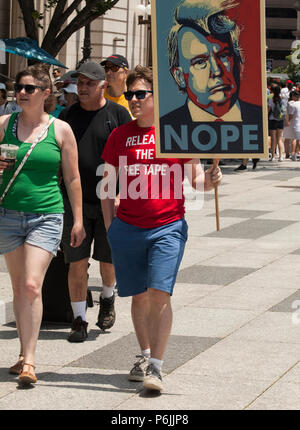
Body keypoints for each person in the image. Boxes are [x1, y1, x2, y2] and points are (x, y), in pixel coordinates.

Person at [101, 65, 222, 392]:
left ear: (157, 97)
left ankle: (156, 366)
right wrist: (112, 227)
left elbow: (195, 180)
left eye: (141, 94)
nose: (134, 100)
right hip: (127, 228)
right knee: (138, 298)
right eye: (130, 95)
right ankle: (143, 356)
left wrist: (209, 181)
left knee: (159, 294)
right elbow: (107, 187)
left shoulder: (176, 132)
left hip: (167, 227)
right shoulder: (119, 136)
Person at [0, 65, 85, 386]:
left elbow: (74, 177)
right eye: (19, 88)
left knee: (33, 285)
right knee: (20, 286)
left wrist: (78, 219)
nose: (21, 93)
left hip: (47, 215)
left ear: (46, 93)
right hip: (8, 215)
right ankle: (23, 352)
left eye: (29, 89)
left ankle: (30, 361)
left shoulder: (60, 130)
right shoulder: (4, 125)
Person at [59, 60, 131, 342]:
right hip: (74, 202)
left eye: (90, 83)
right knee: (76, 261)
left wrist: (123, 195)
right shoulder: (67, 115)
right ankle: (79, 319)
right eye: (81, 82)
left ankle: (108, 297)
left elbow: (128, 159)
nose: (83, 87)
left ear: (103, 85)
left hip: (110, 201)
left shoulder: (118, 114)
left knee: (107, 259)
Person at [160, 0, 263, 155]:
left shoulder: (257, 119)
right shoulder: (167, 127)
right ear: (178, 76)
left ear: (237, 60)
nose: (217, 70)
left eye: (224, 55)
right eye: (200, 62)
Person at [268, 85, 284, 161]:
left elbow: (269, 109)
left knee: (273, 138)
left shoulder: (271, 99)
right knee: (279, 139)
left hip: (272, 119)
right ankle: (281, 156)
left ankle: (273, 156)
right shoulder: (282, 99)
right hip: (280, 120)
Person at [288, 90, 300, 161]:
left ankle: (294, 154)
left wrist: (288, 121)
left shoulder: (293, 105)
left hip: (296, 124)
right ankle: (296, 153)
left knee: (295, 139)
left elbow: (290, 116)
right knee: (298, 140)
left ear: (294, 96)